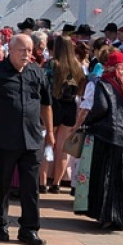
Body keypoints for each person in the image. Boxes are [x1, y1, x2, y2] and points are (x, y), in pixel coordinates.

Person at [0, 34, 54, 245]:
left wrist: (50, 132)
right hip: (4, 138)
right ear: (10, 49)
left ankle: (29, 229)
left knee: (30, 187)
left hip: (32, 138)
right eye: (22, 50)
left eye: (29, 50)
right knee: (3, 185)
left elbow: (46, 105)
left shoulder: (37, 72)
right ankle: (0, 224)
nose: (26, 54)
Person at [73, 50, 123, 230]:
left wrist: (89, 120)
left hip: (108, 138)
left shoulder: (104, 85)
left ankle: (107, 215)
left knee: (108, 178)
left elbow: (101, 107)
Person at [43, 34, 85, 194]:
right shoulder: (78, 66)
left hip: (54, 105)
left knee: (48, 144)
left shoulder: (51, 64)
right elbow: (81, 89)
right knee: (62, 149)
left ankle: (42, 182)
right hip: (70, 107)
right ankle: (57, 183)